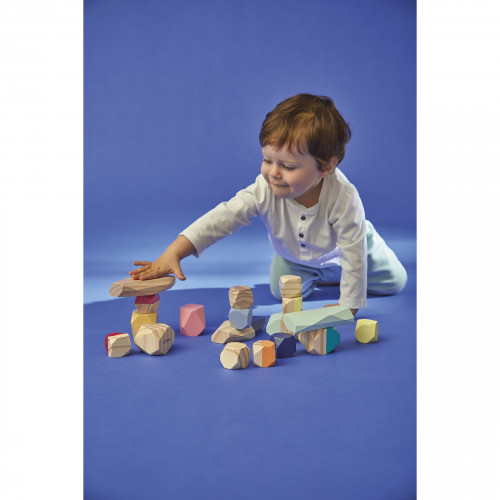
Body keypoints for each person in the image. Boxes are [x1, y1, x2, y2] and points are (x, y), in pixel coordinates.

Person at [129, 94, 407, 315]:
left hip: (350, 247)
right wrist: (175, 251)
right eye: (267, 159)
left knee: (394, 282)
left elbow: (353, 254)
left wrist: (349, 304)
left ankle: (344, 266)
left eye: (288, 166)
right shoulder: (264, 189)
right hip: (295, 257)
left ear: (326, 166)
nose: (273, 172)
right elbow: (223, 218)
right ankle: (320, 273)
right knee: (279, 292)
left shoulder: (343, 198)